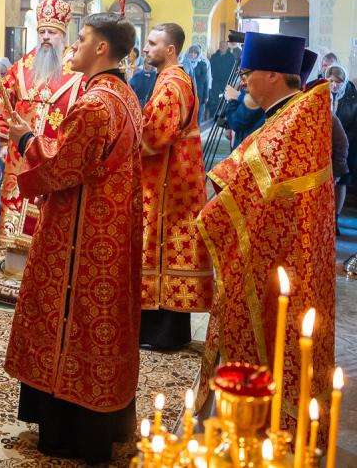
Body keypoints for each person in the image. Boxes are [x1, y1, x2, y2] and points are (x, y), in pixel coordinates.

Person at [4, 12, 142, 464]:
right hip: (110, 226)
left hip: (80, 234)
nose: (73, 46)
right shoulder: (125, 96)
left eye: (81, 39)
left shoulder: (94, 104)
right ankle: (106, 422)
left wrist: (25, 139)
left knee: (69, 315)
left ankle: (67, 430)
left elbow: (61, 166)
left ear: (101, 48)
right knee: (102, 317)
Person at [194, 32, 335, 439]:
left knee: (272, 341)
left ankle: (258, 433)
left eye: (248, 73)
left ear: (273, 75)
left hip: (282, 259)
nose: (242, 81)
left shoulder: (294, 121)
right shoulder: (291, 114)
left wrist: (209, 214)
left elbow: (254, 185)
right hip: (275, 251)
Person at [0, 0, 84, 272]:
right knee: (17, 209)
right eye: (42, 32)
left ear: (63, 34)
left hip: (53, 155)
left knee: (49, 215)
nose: (46, 37)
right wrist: (2, 141)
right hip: (19, 157)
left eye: (52, 32)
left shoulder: (77, 69)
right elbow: (1, 99)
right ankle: (16, 264)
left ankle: (47, 267)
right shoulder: (22, 66)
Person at [138, 23, 211, 351]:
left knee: (162, 249)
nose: (145, 48)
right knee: (167, 250)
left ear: (170, 49)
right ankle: (168, 332)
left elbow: (154, 136)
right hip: (175, 179)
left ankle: (162, 334)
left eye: (152, 43)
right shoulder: (175, 79)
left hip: (168, 185)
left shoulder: (171, 84)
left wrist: (125, 132)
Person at [326, 64, 357, 231]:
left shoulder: (353, 98)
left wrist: (341, 138)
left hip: (345, 148)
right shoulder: (321, 95)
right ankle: (325, 217)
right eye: (331, 81)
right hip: (324, 147)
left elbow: (354, 126)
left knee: (340, 183)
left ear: (344, 82)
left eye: (338, 81)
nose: (334, 85)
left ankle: (335, 219)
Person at [223, 82, 265, 149]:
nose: (242, 83)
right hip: (244, 142)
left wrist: (232, 100)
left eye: (247, 76)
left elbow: (237, 122)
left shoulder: (257, 88)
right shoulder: (253, 86)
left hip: (249, 146)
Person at [181, 45, 211, 124]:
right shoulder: (183, 63)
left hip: (199, 93)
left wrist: (206, 95)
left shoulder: (202, 64)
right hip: (187, 92)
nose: (192, 54)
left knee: (198, 114)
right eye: (191, 52)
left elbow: (206, 81)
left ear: (198, 54)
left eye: (195, 53)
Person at [208, 40, 236, 117]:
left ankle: (224, 114)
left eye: (224, 46)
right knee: (214, 98)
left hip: (227, 81)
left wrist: (231, 81)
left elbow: (233, 70)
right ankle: (213, 114)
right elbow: (210, 69)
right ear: (219, 46)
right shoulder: (214, 56)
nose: (222, 47)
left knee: (227, 98)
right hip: (215, 80)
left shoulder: (231, 57)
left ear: (227, 47)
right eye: (221, 46)